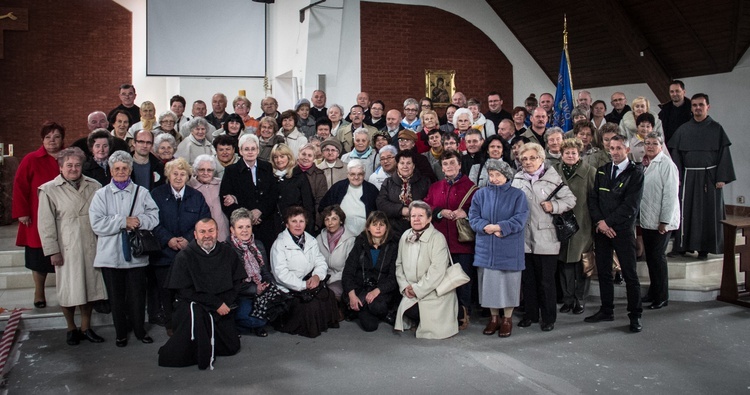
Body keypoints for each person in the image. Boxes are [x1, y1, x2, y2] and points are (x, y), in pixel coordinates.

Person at [38, 147, 107, 345]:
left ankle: (86, 327)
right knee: (69, 289)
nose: (74, 168)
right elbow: (45, 224)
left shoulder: (94, 185)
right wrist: (53, 251)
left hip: (91, 243)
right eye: (69, 165)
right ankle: (71, 328)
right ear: (60, 167)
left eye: (77, 165)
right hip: (67, 246)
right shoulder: (49, 189)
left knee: (90, 288)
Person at [89, 150, 159, 347]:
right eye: (117, 168)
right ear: (111, 171)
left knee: (137, 296)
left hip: (136, 255)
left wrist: (138, 221)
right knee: (116, 298)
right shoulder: (101, 194)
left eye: (124, 168)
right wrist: (122, 222)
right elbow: (96, 223)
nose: (120, 171)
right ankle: (121, 332)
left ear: (130, 170)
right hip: (110, 255)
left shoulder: (142, 193)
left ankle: (139, 330)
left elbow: (154, 217)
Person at [158, 218, 246, 370]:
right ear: (195, 234)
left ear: (217, 232)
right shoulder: (184, 256)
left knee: (231, 347)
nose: (207, 235)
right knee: (180, 354)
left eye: (211, 231)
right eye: (202, 231)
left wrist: (224, 303)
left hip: (221, 306)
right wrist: (215, 303)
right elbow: (183, 290)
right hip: (194, 305)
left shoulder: (227, 252)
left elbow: (237, 283)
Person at [512, 143, 576, 332]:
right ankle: (531, 314)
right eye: (524, 159)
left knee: (546, 280)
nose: (528, 162)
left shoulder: (552, 178)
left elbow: (570, 199)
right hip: (524, 237)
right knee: (528, 279)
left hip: (546, 236)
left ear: (541, 158)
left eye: (532, 158)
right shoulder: (517, 179)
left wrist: (554, 206)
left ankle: (548, 317)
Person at [585, 135, 645, 333]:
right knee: (603, 272)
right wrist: (600, 223)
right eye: (612, 148)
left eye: (619, 148)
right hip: (602, 231)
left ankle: (635, 315)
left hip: (623, 230)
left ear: (627, 150)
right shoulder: (602, 172)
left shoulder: (635, 173)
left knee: (630, 274)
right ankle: (606, 309)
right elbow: (593, 200)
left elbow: (631, 205)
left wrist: (608, 223)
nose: (615, 152)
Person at [668, 93, 735, 259]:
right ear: (691, 108)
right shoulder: (683, 129)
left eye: (701, 105)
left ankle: (704, 248)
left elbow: (724, 155)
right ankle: (683, 246)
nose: (697, 108)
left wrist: (721, 178)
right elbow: (676, 155)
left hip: (710, 178)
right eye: (695, 105)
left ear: (708, 107)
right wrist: (677, 177)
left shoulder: (716, 128)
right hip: (688, 177)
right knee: (685, 211)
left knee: (707, 213)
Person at [469, 159, 528, 337]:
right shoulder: (480, 194)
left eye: (498, 175)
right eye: (491, 175)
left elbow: (520, 218)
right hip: (486, 247)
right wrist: (485, 226)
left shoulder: (518, 195)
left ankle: (507, 319)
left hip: (509, 248)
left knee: (509, 285)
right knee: (489, 286)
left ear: (506, 176)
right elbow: (473, 216)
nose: (494, 178)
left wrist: (500, 227)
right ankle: (494, 318)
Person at [151, 157, 211, 332]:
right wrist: (168, 239)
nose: (178, 177)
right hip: (164, 254)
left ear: (188, 176)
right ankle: (171, 325)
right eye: (174, 174)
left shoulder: (196, 196)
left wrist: (188, 239)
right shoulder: (157, 194)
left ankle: (188, 325)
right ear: (168, 175)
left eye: (182, 174)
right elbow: (152, 221)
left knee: (187, 291)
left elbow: (204, 221)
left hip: (189, 253)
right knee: (166, 292)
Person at [13, 121, 66, 308]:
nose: (52, 141)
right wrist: (22, 212)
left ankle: (65, 292)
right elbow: (20, 186)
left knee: (65, 255)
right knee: (37, 256)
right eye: (48, 137)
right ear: (42, 139)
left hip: (64, 215)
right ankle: (39, 292)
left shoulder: (69, 157)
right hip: (36, 216)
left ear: (62, 139)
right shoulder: (31, 159)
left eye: (57, 137)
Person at [424, 151, 478, 330]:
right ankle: (444, 312)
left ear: (460, 165)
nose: (448, 167)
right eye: (445, 164)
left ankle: (463, 313)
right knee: (441, 279)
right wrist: (439, 211)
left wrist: (467, 213)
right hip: (440, 243)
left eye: (452, 163)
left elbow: (480, 210)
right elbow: (426, 206)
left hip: (462, 243)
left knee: (462, 280)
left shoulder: (471, 187)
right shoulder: (435, 187)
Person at [271, 206, 340, 338]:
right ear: (286, 224)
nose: (298, 225)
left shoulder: (311, 240)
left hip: (309, 281)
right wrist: (303, 285)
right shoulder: (279, 244)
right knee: (310, 305)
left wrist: (316, 276)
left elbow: (320, 261)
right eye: (294, 221)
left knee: (328, 295)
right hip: (289, 288)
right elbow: (281, 275)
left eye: (301, 221)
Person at [394, 201, 458, 339]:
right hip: (411, 290)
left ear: (429, 218)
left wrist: (417, 289)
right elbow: (398, 264)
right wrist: (405, 287)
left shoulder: (438, 238)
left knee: (423, 314)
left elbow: (437, 272)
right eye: (413, 216)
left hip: (433, 291)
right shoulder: (405, 235)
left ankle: (460, 314)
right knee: (409, 310)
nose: (416, 219)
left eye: (421, 216)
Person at [553, 139, 596, 315]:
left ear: (579, 154)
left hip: (583, 224)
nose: (570, 156)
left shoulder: (590, 172)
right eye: (567, 153)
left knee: (582, 263)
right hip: (561, 224)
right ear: (562, 154)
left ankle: (580, 299)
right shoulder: (554, 171)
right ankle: (568, 299)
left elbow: (594, 199)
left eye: (574, 153)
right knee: (564, 263)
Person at [228, 208, 285, 338]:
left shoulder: (258, 245)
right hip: (241, 294)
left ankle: (255, 323)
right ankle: (243, 325)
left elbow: (265, 272)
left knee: (281, 308)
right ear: (232, 229)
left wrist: (270, 287)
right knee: (255, 319)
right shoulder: (228, 248)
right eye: (240, 227)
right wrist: (255, 290)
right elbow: (232, 283)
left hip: (260, 290)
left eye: (248, 226)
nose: (245, 230)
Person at [640, 132, 680, 310]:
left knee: (658, 259)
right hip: (648, 219)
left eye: (654, 143)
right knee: (651, 259)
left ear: (661, 145)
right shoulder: (647, 164)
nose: (649, 146)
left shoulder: (667, 165)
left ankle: (662, 296)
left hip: (661, 222)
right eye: (647, 143)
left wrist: (664, 220)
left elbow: (670, 196)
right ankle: (653, 292)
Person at [342, 211, 399, 332]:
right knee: (370, 326)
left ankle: (365, 308)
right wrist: (352, 295)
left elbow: (393, 278)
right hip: (360, 289)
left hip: (381, 291)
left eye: (382, 225)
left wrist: (376, 291)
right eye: (374, 224)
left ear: (386, 227)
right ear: (368, 227)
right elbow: (348, 272)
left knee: (378, 306)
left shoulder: (393, 246)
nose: (378, 228)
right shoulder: (360, 243)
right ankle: (362, 307)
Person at [220, 134, 278, 250]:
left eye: (253, 149)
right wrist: (247, 215)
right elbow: (226, 200)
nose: (250, 152)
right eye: (246, 149)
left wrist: (260, 211)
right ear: (240, 151)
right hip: (242, 226)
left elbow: (273, 194)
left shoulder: (267, 167)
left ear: (258, 150)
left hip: (265, 221)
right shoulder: (231, 171)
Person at [376, 150, 431, 238]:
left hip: (420, 229)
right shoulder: (388, 182)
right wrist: (402, 210)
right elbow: (381, 203)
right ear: (397, 165)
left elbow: (429, 203)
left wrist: (415, 211)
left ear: (413, 166)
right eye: (402, 163)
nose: (405, 166)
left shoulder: (424, 182)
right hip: (393, 231)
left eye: (409, 163)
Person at [318, 160, 378, 236]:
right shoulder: (338, 188)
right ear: (347, 174)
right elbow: (322, 208)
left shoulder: (372, 190)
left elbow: (378, 214)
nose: (356, 177)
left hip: (365, 236)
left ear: (364, 175)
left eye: (360, 174)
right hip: (340, 236)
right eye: (352, 174)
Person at [316, 205, 357, 315]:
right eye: (327, 219)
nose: (330, 223)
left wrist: (330, 279)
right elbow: (316, 262)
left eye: (334, 219)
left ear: (341, 221)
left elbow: (349, 269)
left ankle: (340, 310)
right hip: (323, 277)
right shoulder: (319, 238)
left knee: (329, 293)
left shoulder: (351, 239)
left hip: (342, 278)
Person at [269, 143, 315, 235]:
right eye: (275, 157)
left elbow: (308, 205)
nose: (279, 160)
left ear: (289, 157)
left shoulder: (299, 176)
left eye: (282, 156)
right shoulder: (269, 177)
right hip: (273, 228)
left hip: (295, 227)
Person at [189, 155, 230, 241]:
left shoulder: (221, 184)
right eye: (202, 170)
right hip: (202, 235)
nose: (206, 173)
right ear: (196, 171)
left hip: (223, 232)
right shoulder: (190, 187)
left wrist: (232, 197)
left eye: (209, 170)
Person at [297, 143, 329, 230]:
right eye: (303, 154)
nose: (306, 158)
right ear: (298, 154)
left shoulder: (319, 175)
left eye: (309, 155)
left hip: (311, 219)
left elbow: (320, 201)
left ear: (314, 158)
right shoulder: (291, 172)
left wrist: (316, 223)